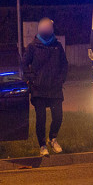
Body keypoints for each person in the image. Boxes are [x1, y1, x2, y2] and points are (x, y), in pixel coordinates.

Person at [22, 18, 69, 156]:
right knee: (41, 119)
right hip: (39, 89)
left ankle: (52, 138)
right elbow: (24, 64)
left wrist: (61, 79)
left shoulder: (57, 46)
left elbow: (64, 64)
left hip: (55, 88)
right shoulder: (33, 46)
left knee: (58, 116)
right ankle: (42, 145)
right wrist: (31, 80)